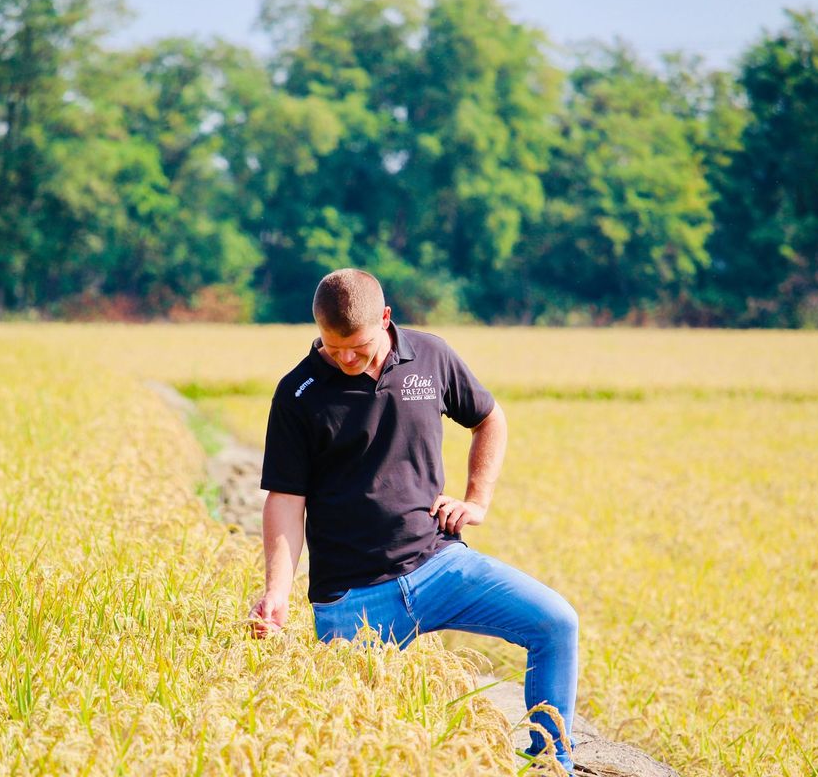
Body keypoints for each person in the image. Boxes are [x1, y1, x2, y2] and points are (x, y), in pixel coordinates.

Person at [247, 268, 582, 773]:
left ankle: (551, 766)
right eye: (333, 348)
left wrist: (476, 499)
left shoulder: (431, 356)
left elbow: (489, 418)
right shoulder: (299, 393)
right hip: (352, 599)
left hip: (439, 564)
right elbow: (286, 500)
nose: (346, 359)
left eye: (357, 347)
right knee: (353, 750)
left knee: (556, 623)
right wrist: (278, 590)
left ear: (385, 318)